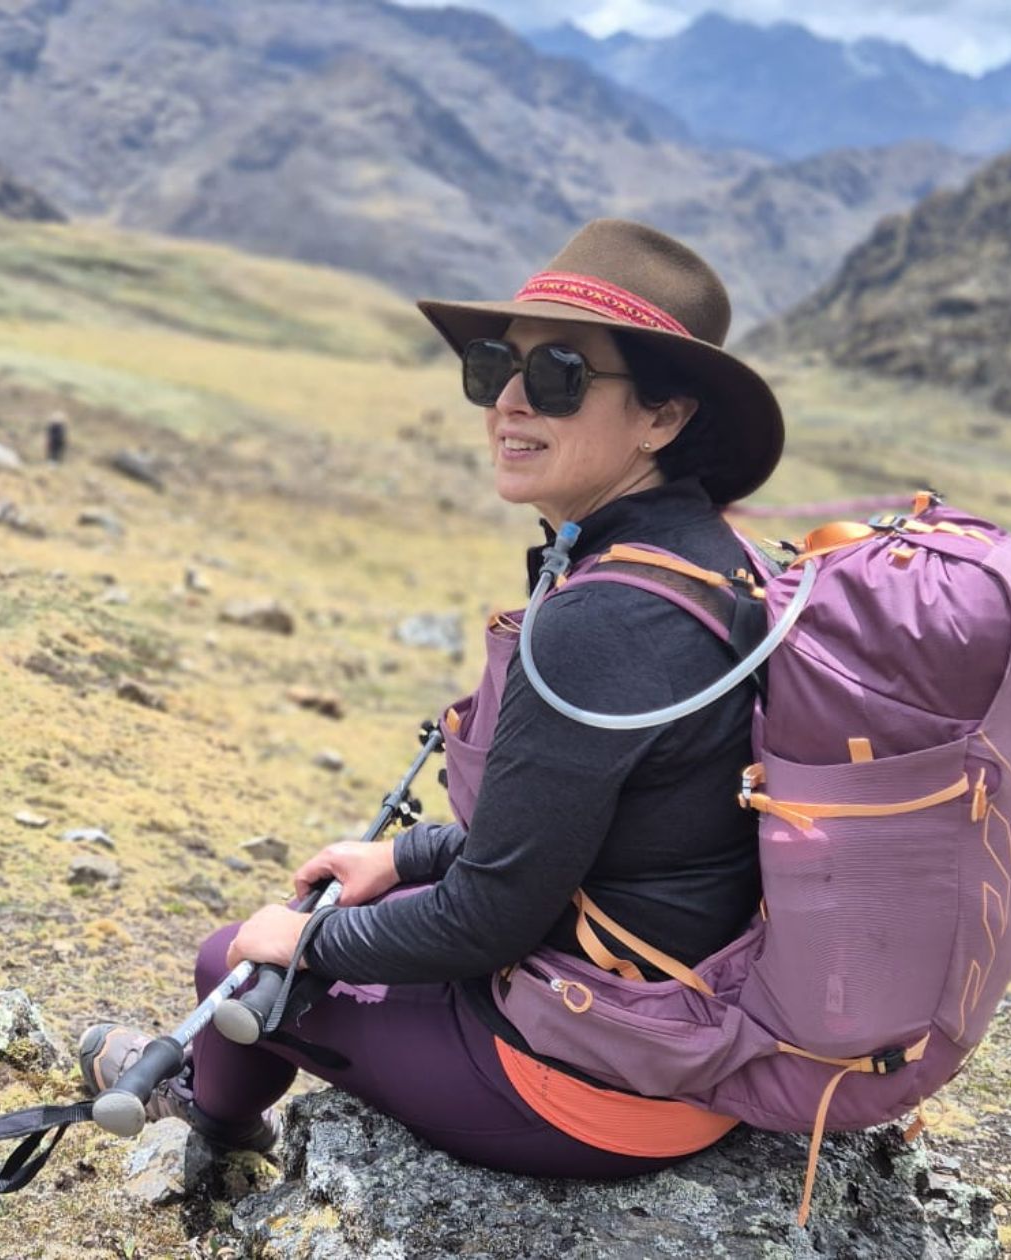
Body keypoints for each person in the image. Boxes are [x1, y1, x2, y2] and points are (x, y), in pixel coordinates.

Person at [78, 219, 788, 1177]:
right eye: (496, 367)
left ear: (663, 417)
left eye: (559, 376)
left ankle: (212, 1119)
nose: (507, 402)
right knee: (319, 923)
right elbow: (612, 837)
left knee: (233, 961)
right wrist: (401, 854)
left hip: (595, 1085)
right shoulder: (715, 562)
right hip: (695, 1023)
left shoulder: (604, 622)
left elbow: (487, 918)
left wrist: (309, 939)